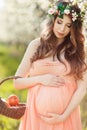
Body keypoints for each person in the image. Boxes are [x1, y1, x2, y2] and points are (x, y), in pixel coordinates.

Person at [14, 1, 87, 130]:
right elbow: (17, 83)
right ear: (52, 20)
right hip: (35, 117)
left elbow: (82, 88)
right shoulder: (36, 45)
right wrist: (41, 79)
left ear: (73, 28)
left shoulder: (78, 51)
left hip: (66, 119)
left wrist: (63, 116)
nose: (62, 29)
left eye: (68, 25)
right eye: (59, 22)